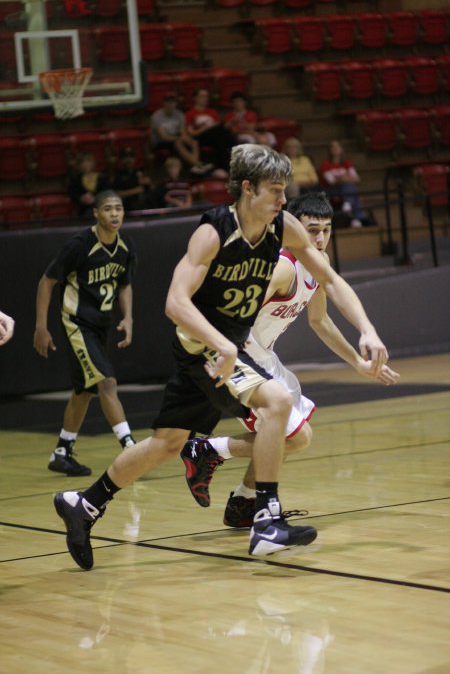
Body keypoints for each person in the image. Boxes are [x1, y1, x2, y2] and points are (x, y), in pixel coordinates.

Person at [53, 144, 390, 570]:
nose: (283, 200)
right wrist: (227, 345)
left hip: (222, 348)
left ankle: (84, 504)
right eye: (274, 190)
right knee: (278, 401)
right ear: (247, 189)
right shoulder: (213, 232)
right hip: (205, 347)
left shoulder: (282, 227)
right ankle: (265, 519)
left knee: (165, 443)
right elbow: (175, 302)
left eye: (284, 190)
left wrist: (368, 330)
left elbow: (331, 279)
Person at [181, 192, 400, 526]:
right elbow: (235, 312)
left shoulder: (316, 266)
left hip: (263, 355)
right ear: (295, 227)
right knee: (296, 436)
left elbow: (320, 321)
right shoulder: (283, 266)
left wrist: (358, 361)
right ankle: (208, 450)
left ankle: (243, 501)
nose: (321, 238)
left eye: (327, 229)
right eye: (313, 230)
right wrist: (228, 354)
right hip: (238, 352)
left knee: (287, 434)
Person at [33, 190, 137, 477]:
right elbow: (47, 281)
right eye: (108, 209)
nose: (114, 214)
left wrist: (127, 317)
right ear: (96, 213)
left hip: (101, 324)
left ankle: (62, 451)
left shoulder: (125, 245)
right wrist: (41, 327)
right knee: (107, 383)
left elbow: (125, 284)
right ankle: (130, 448)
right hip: (78, 323)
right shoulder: (80, 245)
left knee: (84, 390)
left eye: (118, 208)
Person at [150, 94, 212, 175]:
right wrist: (179, 138)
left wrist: (186, 139)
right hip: (160, 142)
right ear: (164, 103)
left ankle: (196, 166)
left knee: (194, 142)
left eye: (173, 103)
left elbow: (183, 132)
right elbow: (163, 136)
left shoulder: (179, 114)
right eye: (168, 102)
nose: (171, 105)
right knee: (178, 143)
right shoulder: (157, 116)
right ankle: (197, 164)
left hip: (175, 138)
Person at [185, 88, 236, 176]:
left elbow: (220, 127)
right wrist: (206, 128)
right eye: (202, 96)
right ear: (195, 98)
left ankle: (227, 167)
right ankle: (227, 166)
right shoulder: (190, 113)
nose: (205, 99)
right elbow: (192, 133)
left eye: (206, 96)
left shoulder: (212, 112)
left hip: (216, 136)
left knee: (221, 136)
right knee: (221, 134)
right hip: (201, 137)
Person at [318, 140, 369, 229]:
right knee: (352, 188)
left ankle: (349, 207)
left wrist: (342, 178)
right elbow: (331, 181)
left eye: (337, 147)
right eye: (333, 147)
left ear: (341, 149)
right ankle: (356, 217)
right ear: (329, 150)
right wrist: (344, 178)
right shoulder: (325, 164)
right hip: (332, 190)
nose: (335, 149)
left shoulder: (346, 163)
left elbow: (357, 178)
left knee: (351, 187)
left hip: (346, 189)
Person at [112, 147, 157, 212]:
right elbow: (117, 193)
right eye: (126, 157)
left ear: (135, 159)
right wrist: (134, 191)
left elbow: (151, 189)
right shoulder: (118, 174)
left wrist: (149, 183)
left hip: (142, 204)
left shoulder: (140, 172)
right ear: (122, 159)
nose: (129, 159)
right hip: (126, 205)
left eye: (131, 156)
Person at [68, 152, 111, 219]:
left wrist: (95, 198)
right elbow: (72, 193)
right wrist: (81, 198)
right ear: (79, 164)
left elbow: (106, 192)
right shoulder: (76, 179)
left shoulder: (102, 177)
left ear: (93, 163)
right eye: (83, 162)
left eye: (88, 161)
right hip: (83, 208)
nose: (86, 164)